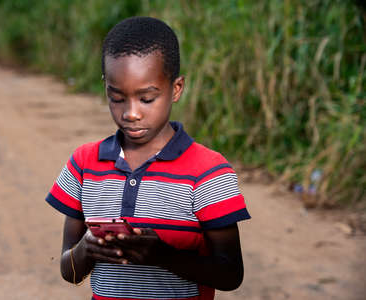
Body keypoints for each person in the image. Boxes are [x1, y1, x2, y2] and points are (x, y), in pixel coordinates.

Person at [45, 16, 251, 300]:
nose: (131, 113)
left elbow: (231, 275)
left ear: (176, 89)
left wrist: (164, 255)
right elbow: (70, 272)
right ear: (105, 87)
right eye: (117, 97)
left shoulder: (208, 171)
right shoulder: (84, 164)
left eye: (146, 98)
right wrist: (86, 249)